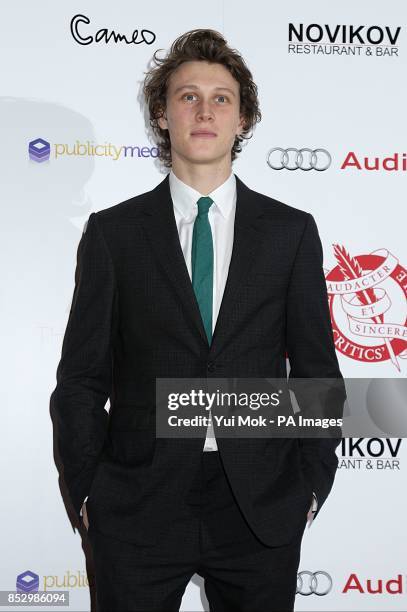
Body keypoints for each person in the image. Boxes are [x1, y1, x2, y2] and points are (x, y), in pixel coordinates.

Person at [51, 28, 343, 612]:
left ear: (242, 120)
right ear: (162, 115)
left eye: (222, 98)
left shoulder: (290, 233)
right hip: (136, 503)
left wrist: (310, 486)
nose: (204, 110)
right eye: (187, 96)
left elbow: (315, 371)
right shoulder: (114, 234)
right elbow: (82, 379)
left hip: (259, 506)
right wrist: (87, 489)